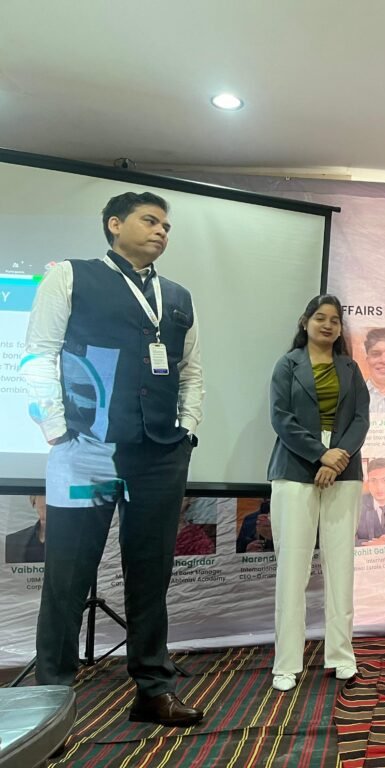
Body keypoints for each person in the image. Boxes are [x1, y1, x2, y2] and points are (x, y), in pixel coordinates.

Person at [19, 191, 204, 727]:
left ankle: (153, 690)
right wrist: (57, 431)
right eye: (150, 220)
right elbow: (39, 354)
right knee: (68, 576)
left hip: (159, 455)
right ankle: (49, 702)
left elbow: (192, 370)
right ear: (114, 224)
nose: (162, 231)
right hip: (86, 452)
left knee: (151, 575)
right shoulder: (69, 277)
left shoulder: (178, 296)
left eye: (166, 225)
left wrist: (187, 429)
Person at [267, 294, 370, 692]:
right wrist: (320, 454)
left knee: (340, 566)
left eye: (335, 320)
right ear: (305, 321)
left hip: (344, 470)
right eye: (320, 318)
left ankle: (342, 656)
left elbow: (360, 418)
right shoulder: (287, 364)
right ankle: (286, 664)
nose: (328, 325)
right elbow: (281, 418)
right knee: (292, 568)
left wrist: (337, 458)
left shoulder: (350, 368)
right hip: (295, 469)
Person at [5, 495, 46, 564]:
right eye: (44, 495)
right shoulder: (10, 542)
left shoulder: (67, 539)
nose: (49, 501)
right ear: (34, 501)